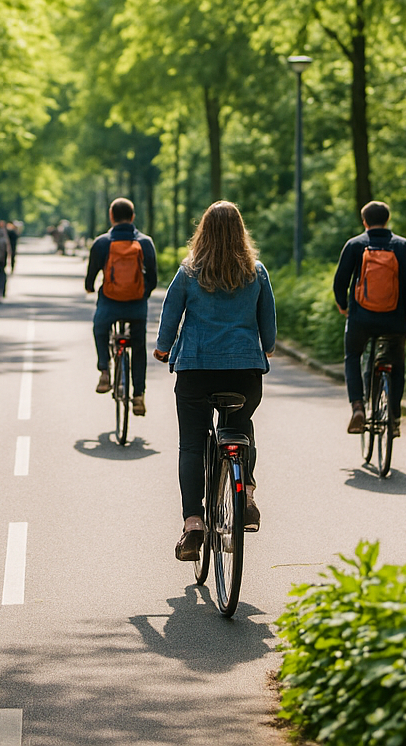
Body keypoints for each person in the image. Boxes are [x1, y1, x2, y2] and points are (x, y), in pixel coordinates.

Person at [154, 202, 275, 561]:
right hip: (245, 372)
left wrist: (163, 348)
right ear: (241, 232)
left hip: (196, 371)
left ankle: (193, 524)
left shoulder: (188, 272)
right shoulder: (256, 272)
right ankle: (246, 495)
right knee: (240, 426)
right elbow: (268, 325)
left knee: (192, 445)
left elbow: (170, 314)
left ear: (202, 232)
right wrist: (266, 347)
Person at [333, 200, 406, 436]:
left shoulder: (355, 245)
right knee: (397, 363)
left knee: (353, 356)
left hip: (361, 319)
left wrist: (343, 307)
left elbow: (340, 282)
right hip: (395, 320)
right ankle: (395, 418)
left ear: (364, 222)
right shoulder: (401, 245)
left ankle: (358, 407)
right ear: (387, 220)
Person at [86, 197, 158, 415]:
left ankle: (104, 371)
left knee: (100, 328)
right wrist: (142, 294)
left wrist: (90, 287)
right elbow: (153, 278)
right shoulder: (145, 243)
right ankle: (139, 396)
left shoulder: (102, 243)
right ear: (133, 217)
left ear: (111, 216)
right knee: (138, 347)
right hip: (136, 306)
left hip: (110, 303)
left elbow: (91, 276)